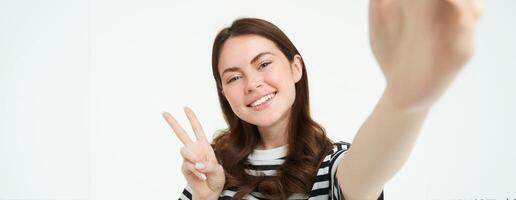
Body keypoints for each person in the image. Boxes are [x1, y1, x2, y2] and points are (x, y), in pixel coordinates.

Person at [163, 0, 481, 199]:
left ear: (295, 67)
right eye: (234, 77)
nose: (252, 83)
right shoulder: (210, 172)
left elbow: (370, 169)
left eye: (263, 64)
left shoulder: (331, 167)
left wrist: (403, 100)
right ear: (224, 92)